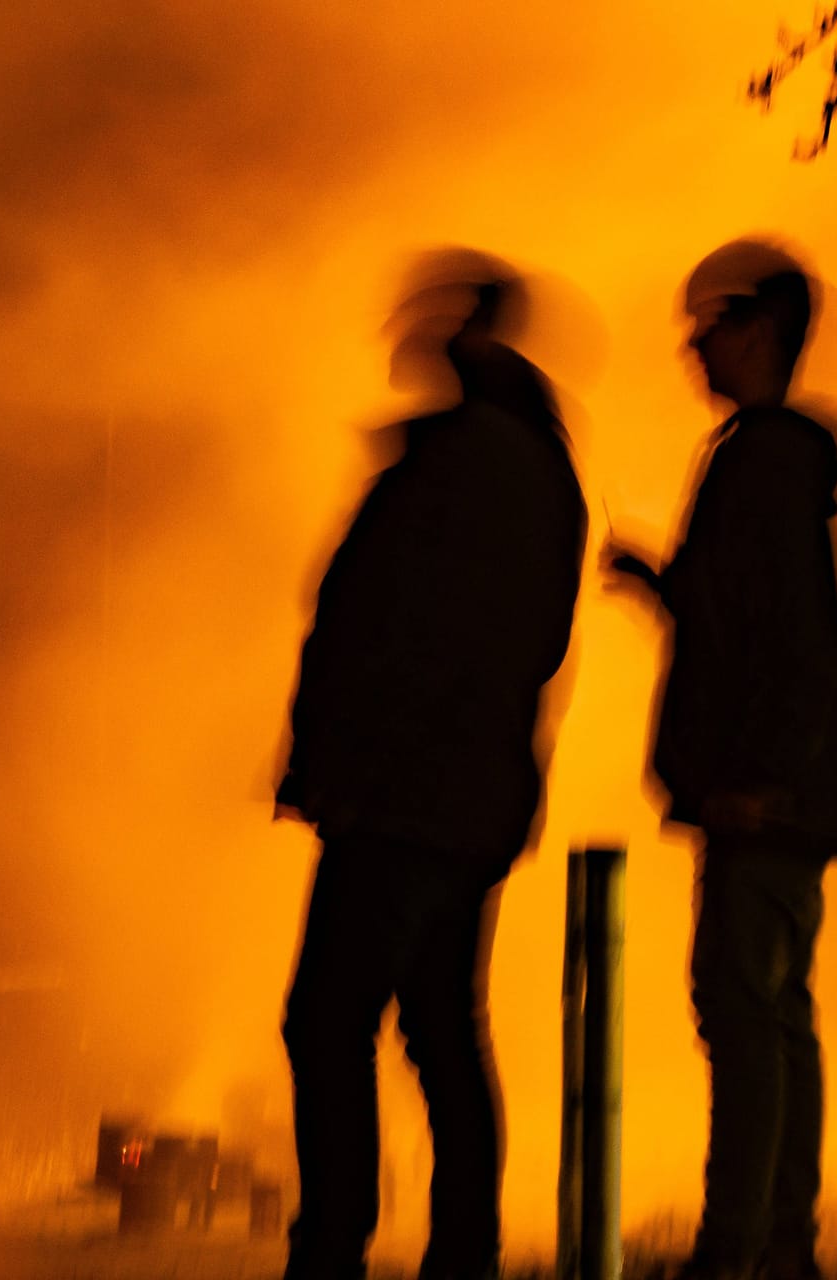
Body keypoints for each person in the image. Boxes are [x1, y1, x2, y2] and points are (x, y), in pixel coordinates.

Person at [276, 255, 587, 1280]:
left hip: (404, 794)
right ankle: (465, 1249)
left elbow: (385, 626)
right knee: (442, 1025)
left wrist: (340, 760)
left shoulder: (461, 463)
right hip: (468, 792)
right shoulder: (536, 466)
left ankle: (334, 1245)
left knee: (328, 1016)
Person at [604, 240, 837, 1280]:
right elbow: (742, 615)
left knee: (743, 1008)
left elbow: (779, 637)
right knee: (773, 1010)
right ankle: (780, 1242)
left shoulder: (761, 457)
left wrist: (763, 776)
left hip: (767, 790)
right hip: (787, 782)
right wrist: (659, 581)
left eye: (707, 322)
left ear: (758, 329)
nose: (691, 346)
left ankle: (741, 1248)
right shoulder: (774, 461)